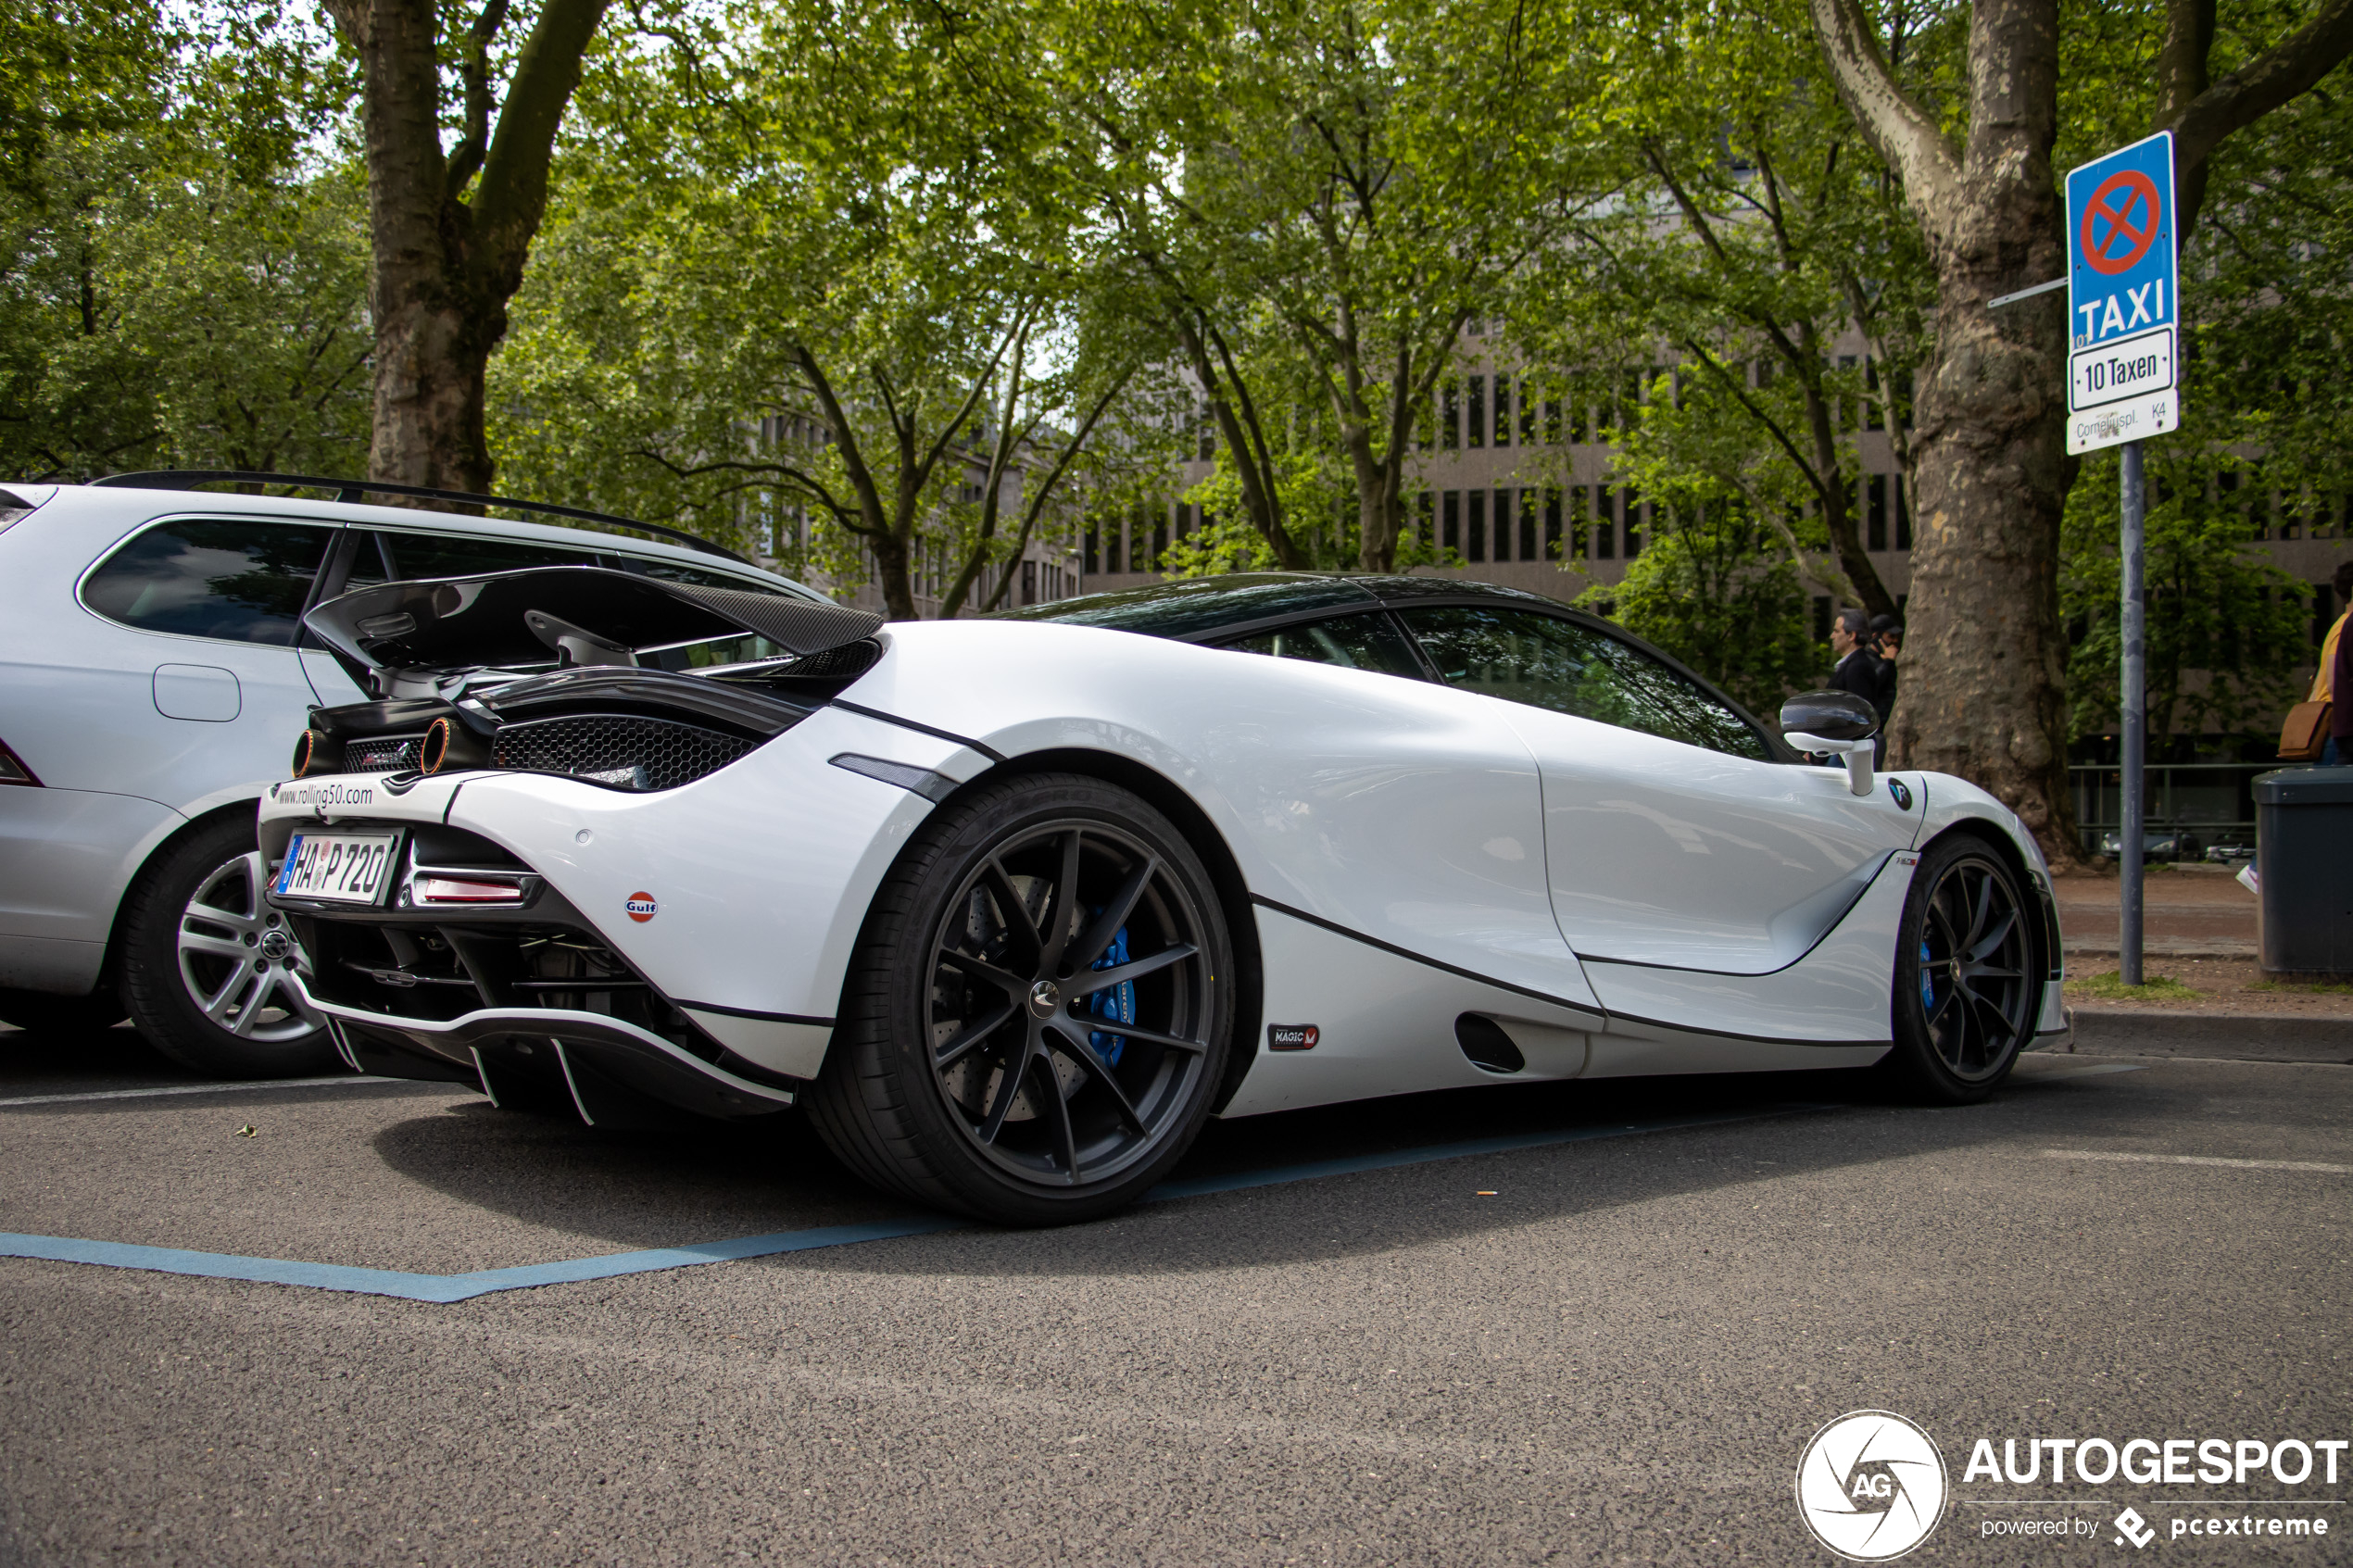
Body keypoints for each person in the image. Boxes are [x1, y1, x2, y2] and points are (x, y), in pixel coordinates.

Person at [1822, 608, 1887, 765]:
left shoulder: (1858, 667)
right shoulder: (1852, 665)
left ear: (1851, 635)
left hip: (1846, 751)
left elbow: (1858, 713)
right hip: (1841, 749)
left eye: (1837, 631)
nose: (1832, 636)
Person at [2319, 561, 2353, 764]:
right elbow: (2334, 684)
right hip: (2335, 726)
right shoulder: (2345, 627)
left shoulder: (2340, 625)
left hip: (2336, 728)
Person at [1868, 613, 1903, 732]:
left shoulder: (1893, 661)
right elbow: (1873, 685)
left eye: (1896, 636)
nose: (1895, 641)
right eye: (1890, 636)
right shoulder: (1865, 660)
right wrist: (1888, 662)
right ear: (1876, 637)